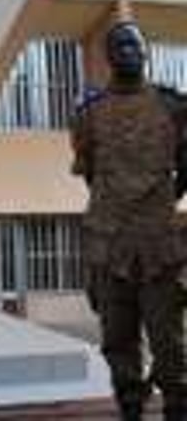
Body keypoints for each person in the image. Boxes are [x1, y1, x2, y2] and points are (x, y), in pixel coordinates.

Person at [71, 21, 187, 421]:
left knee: (169, 341)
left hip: (159, 243)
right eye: (119, 45)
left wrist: (162, 201)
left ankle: (176, 406)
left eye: (134, 44)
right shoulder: (88, 115)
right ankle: (131, 408)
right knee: (118, 342)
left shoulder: (173, 108)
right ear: (107, 56)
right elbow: (90, 173)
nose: (127, 51)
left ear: (147, 52)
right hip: (109, 244)